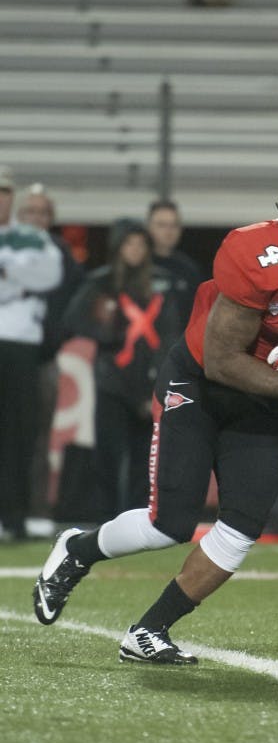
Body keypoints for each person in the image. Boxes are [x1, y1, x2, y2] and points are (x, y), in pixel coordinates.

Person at [33, 150, 278, 663]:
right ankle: (78, 549)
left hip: (264, 400)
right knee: (167, 524)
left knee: (240, 528)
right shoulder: (257, 253)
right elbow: (221, 362)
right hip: (199, 385)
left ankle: (149, 631)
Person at [60, 218, 182, 521]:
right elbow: (73, 319)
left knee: (145, 460)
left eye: (141, 244)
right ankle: (105, 519)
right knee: (108, 457)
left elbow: (172, 332)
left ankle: (136, 521)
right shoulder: (101, 282)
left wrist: (163, 375)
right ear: (118, 248)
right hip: (112, 382)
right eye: (130, 243)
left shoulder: (163, 282)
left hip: (149, 383)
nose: (135, 250)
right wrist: (106, 330)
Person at [15, 184, 85, 525]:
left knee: (39, 436)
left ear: (51, 219)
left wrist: (56, 337)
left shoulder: (62, 255)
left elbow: (76, 302)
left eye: (43, 213)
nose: (36, 219)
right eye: (30, 212)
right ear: (19, 216)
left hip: (42, 359)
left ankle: (35, 511)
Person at [0, 168, 63, 541]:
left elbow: (49, 277)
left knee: (22, 435)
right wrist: (17, 279)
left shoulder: (37, 242)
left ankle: (15, 515)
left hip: (25, 346)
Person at [146, 198, 204, 332]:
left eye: (174, 225)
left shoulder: (189, 269)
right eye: (162, 225)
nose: (169, 231)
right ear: (149, 227)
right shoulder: (137, 266)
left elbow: (198, 315)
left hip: (177, 346)